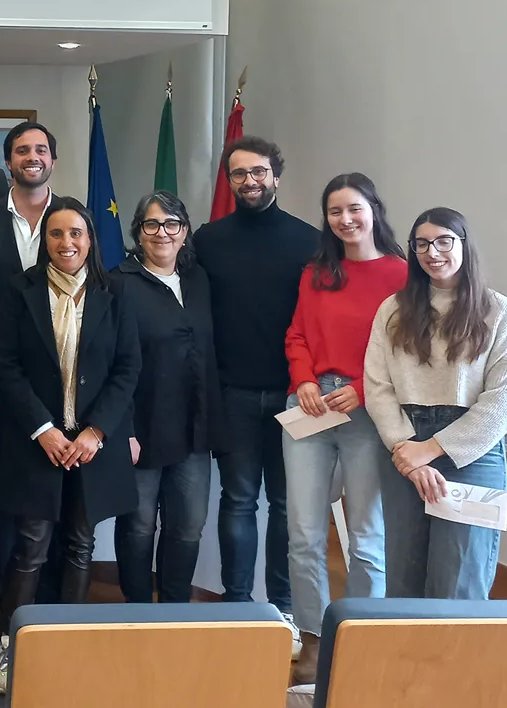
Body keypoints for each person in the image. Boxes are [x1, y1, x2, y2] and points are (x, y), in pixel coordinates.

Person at [0, 197, 140, 694]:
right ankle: (11, 643)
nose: (66, 242)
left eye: (76, 233)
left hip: (92, 443)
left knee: (80, 542)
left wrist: (95, 432)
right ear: (44, 241)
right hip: (38, 442)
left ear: (90, 239)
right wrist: (43, 429)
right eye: (56, 234)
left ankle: (66, 639)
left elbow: (127, 368)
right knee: (30, 546)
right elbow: (5, 365)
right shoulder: (19, 290)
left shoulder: (114, 291)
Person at [365, 207, 507, 602]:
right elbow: (377, 385)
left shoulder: (501, 313)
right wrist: (407, 450)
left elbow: (502, 402)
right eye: (421, 243)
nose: (432, 252)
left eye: (443, 241)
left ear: (463, 245)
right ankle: (407, 664)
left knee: (459, 581)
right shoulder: (392, 309)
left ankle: (457, 666)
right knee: (404, 575)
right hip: (404, 440)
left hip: (472, 451)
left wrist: (431, 450)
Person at [282, 174, 406, 683]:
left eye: (354, 209)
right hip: (309, 408)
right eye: (335, 212)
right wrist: (304, 380)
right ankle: (314, 632)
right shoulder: (317, 272)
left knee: (366, 534)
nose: (346, 220)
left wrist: (360, 385)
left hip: (368, 408)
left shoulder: (402, 274)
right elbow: (296, 335)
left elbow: (405, 349)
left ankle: (361, 628)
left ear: (373, 209)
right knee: (304, 532)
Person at [193, 135, 316, 646]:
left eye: (258, 171)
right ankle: (238, 604)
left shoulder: (310, 241)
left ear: (276, 175)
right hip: (234, 395)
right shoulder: (207, 239)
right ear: (229, 179)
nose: (249, 181)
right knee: (239, 501)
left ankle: (283, 608)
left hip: (297, 398)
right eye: (239, 173)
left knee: (288, 507)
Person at [0, 121, 63, 622]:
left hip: (65, 385)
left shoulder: (71, 218)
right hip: (5, 383)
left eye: (40, 149)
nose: (32, 156)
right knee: (8, 500)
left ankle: (50, 611)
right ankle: (11, 612)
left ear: (52, 160)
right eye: (22, 150)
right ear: (8, 162)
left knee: (56, 504)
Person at [110, 191, 222, 605]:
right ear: (138, 233)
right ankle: (137, 610)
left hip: (193, 428)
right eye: (151, 225)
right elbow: (108, 363)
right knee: (138, 526)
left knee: (188, 525)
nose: (162, 233)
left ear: (184, 231)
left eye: (171, 224)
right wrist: (122, 430)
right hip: (141, 428)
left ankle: (175, 610)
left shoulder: (198, 281)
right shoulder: (118, 283)